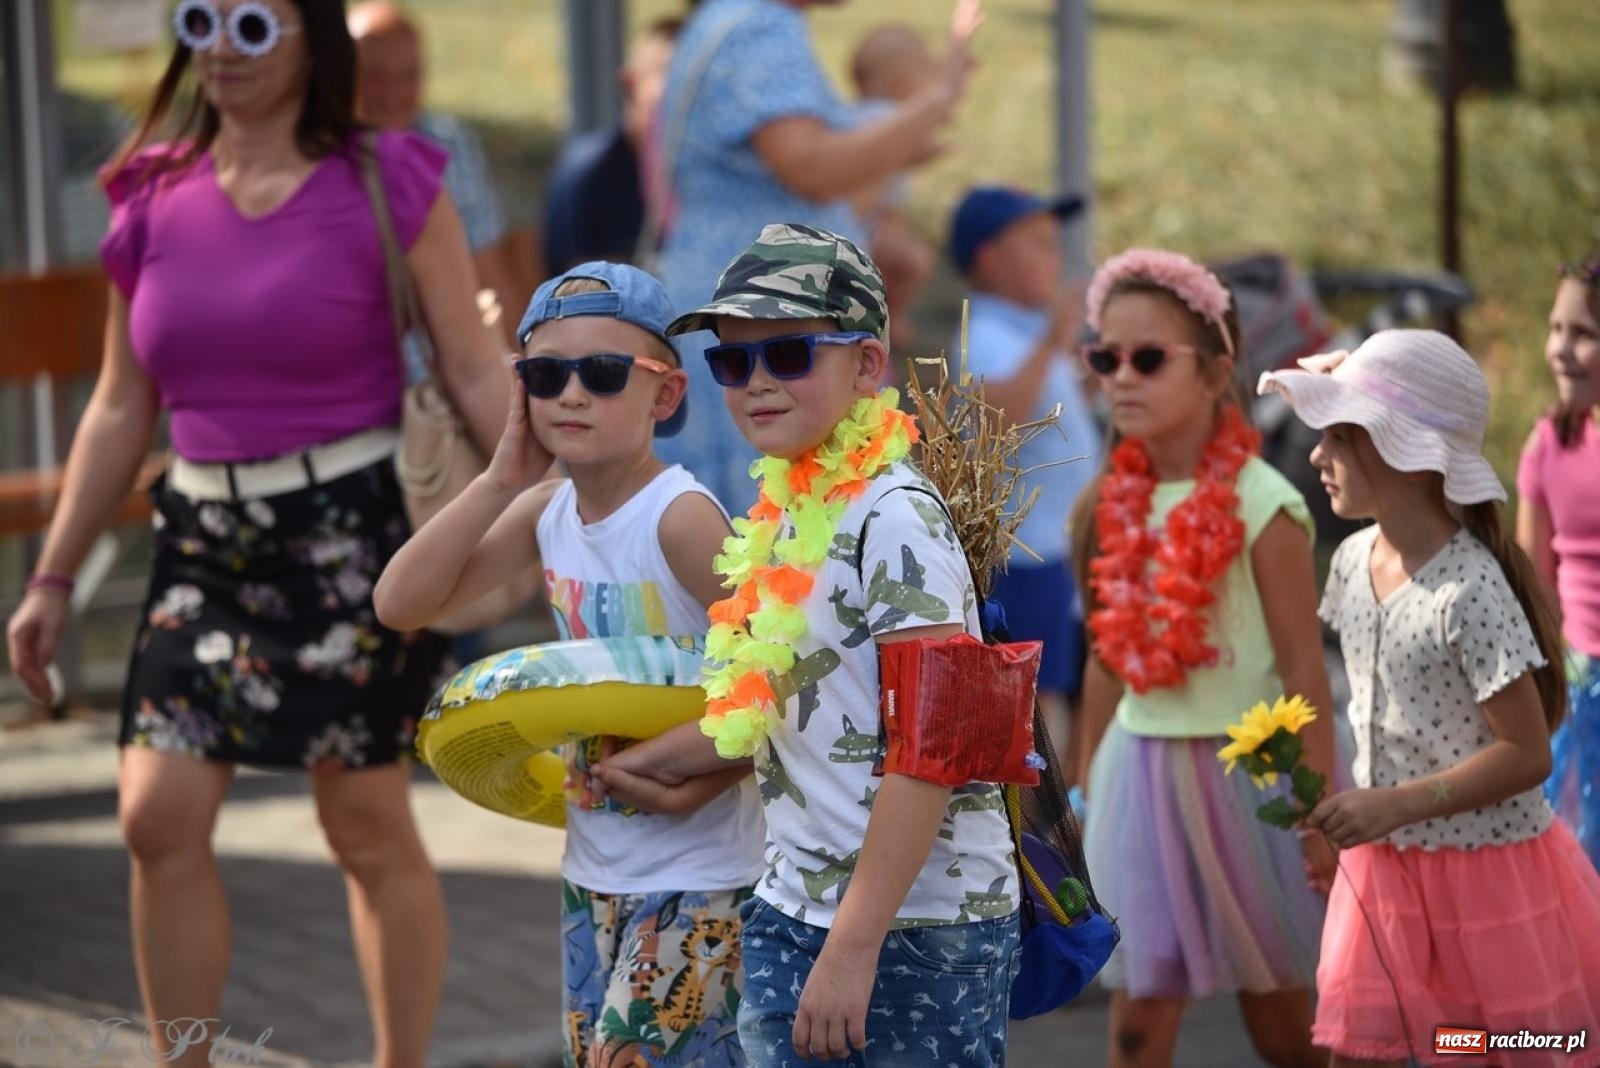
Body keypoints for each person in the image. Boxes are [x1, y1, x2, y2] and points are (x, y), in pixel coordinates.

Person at [3, 2, 510, 1064]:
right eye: (200, 20)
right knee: (154, 818)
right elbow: (114, 405)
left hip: (351, 540)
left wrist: (547, 501)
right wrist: (51, 577)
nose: (221, 48)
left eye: (252, 24)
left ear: (310, 40)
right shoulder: (148, 189)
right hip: (203, 539)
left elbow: (469, 364)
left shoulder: (389, 176)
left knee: (364, 826)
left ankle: (398, 1060)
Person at [592, 224, 1021, 1066]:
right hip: (794, 906)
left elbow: (938, 750)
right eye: (732, 360)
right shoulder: (788, 506)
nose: (755, 382)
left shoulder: (895, 516)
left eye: (788, 354)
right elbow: (804, 702)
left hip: (918, 928)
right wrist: (663, 758)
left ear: (866, 366)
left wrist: (853, 949)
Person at [373, 262, 763, 1066]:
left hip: (707, 869)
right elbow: (399, 604)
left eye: (604, 373)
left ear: (666, 395)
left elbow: (788, 679)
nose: (571, 395)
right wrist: (494, 480)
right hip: (595, 869)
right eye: (546, 375)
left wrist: (699, 773)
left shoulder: (680, 519)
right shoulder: (542, 513)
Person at [1261, 329, 1600, 1067]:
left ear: (1413, 458)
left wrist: (1398, 803)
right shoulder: (1351, 560)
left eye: (1342, 438)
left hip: (1486, 879)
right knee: (1360, 1047)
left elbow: (1527, 752)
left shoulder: (1469, 590)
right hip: (1386, 870)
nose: (1318, 457)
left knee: (1477, 1046)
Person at [1072, 248, 1336, 1068]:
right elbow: (1106, 661)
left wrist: (1318, 809)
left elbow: (1302, 666)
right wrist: (1083, 793)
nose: (1122, 376)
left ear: (1218, 369)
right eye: (1104, 357)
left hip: (1249, 778)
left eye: (1148, 358)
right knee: (1139, 1023)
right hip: (1139, 781)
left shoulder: (1264, 503)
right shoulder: (1110, 501)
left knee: (1284, 1027)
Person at [650, 0, 984, 515]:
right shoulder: (762, 26)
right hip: (765, 315)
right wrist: (936, 98)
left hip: (751, 307)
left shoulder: (735, 16)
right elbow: (812, 165)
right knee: (776, 518)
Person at [950, 184, 1094, 772]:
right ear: (990, 257)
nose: (1054, 257)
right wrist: (1056, 338)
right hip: (1029, 553)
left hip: (1055, 549)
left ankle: (1063, 831)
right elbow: (999, 415)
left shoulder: (1019, 333)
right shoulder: (986, 333)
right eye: (1036, 244)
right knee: (1038, 716)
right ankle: (1040, 843)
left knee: (1065, 700)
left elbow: (1047, 417)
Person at [348, 0, 536, 348]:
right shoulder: (319, 157)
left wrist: (526, 371)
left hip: (442, 373)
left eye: (407, 76)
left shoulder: (449, 146)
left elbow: (489, 274)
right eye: (375, 77)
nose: (392, 94)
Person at [1517, 254, 1600, 870]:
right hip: (1580, 690)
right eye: (1556, 329)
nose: (1562, 349)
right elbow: (1534, 583)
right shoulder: (1551, 442)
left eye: (1584, 334)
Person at [542, 18, 680, 274]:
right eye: (670, 74)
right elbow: (588, 293)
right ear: (629, 82)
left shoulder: (703, 169)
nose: (685, 93)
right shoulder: (589, 173)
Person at [847, 23, 939, 350]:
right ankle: (891, 316)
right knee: (916, 262)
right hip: (872, 222)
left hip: (856, 223)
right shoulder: (892, 120)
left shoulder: (852, 115)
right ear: (904, 85)